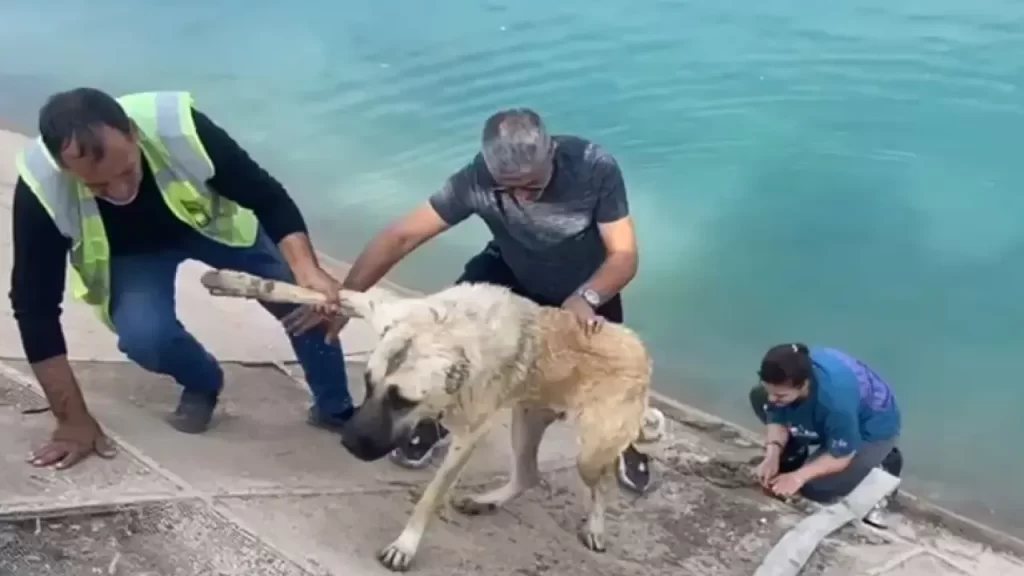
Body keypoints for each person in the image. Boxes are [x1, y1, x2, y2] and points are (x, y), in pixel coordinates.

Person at [286, 108, 655, 494]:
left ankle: (630, 439)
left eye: (531, 186)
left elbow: (624, 256)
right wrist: (349, 301)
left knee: (616, 370)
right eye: (507, 188)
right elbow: (401, 237)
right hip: (510, 268)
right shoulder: (476, 180)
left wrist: (587, 296)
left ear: (552, 154)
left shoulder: (594, 167)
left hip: (586, 283)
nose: (520, 197)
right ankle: (432, 422)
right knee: (445, 339)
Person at [9, 88, 355, 471]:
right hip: (131, 253)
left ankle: (335, 408)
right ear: (64, 169)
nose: (121, 192)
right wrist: (71, 420)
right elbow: (34, 306)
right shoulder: (41, 188)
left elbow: (267, 197)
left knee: (309, 302)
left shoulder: (178, 127)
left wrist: (308, 272)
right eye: (97, 187)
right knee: (145, 337)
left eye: (126, 171)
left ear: (134, 134)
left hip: (209, 224)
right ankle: (203, 381)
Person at [750, 343, 904, 527]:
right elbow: (775, 414)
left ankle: (884, 462)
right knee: (758, 397)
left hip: (872, 427)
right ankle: (795, 449)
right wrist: (772, 455)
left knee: (816, 488)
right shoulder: (787, 380)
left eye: (780, 396)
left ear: (804, 383)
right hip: (831, 414)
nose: (772, 399)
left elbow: (841, 456)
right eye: (771, 392)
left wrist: (798, 477)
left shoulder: (835, 402)